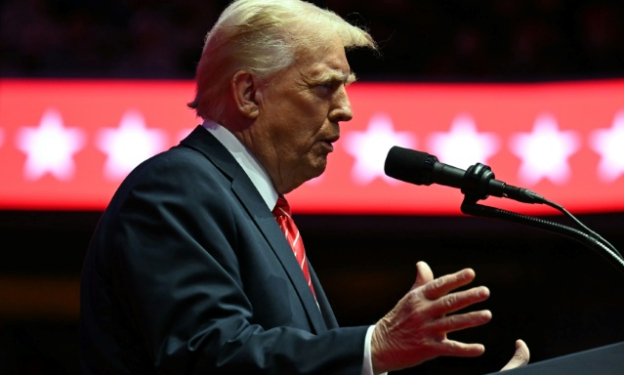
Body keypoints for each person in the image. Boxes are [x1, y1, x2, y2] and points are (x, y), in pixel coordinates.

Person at [79, 0, 530, 374]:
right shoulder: (176, 187)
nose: (346, 111)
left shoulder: (266, 213)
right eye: (325, 87)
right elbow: (205, 356)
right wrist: (373, 345)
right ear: (249, 94)